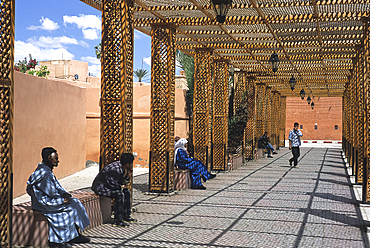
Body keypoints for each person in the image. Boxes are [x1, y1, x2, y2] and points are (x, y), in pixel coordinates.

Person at [27, 147, 91, 248]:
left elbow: (57, 186)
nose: (58, 161)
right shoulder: (44, 174)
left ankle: (75, 235)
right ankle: (56, 240)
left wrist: (65, 194)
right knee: (69, 210)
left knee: (76, 202)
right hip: (45, 203)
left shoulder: (47, 170)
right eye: (55, 159)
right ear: (49, 158)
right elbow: (52, 192)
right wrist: (62, 198)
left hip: (50, 199)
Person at [92, 153, 136, 227]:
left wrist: (128, 176)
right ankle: (118, 220)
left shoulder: (122, 167)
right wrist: (121, 187)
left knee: (127, 192)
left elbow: (120, 182)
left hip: (109, 187)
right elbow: (112, 184)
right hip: (101, 188)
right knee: (119, 194)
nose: (132, 165)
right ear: (128, 164)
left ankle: (126, 215)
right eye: (132, 163)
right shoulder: (115, 169)